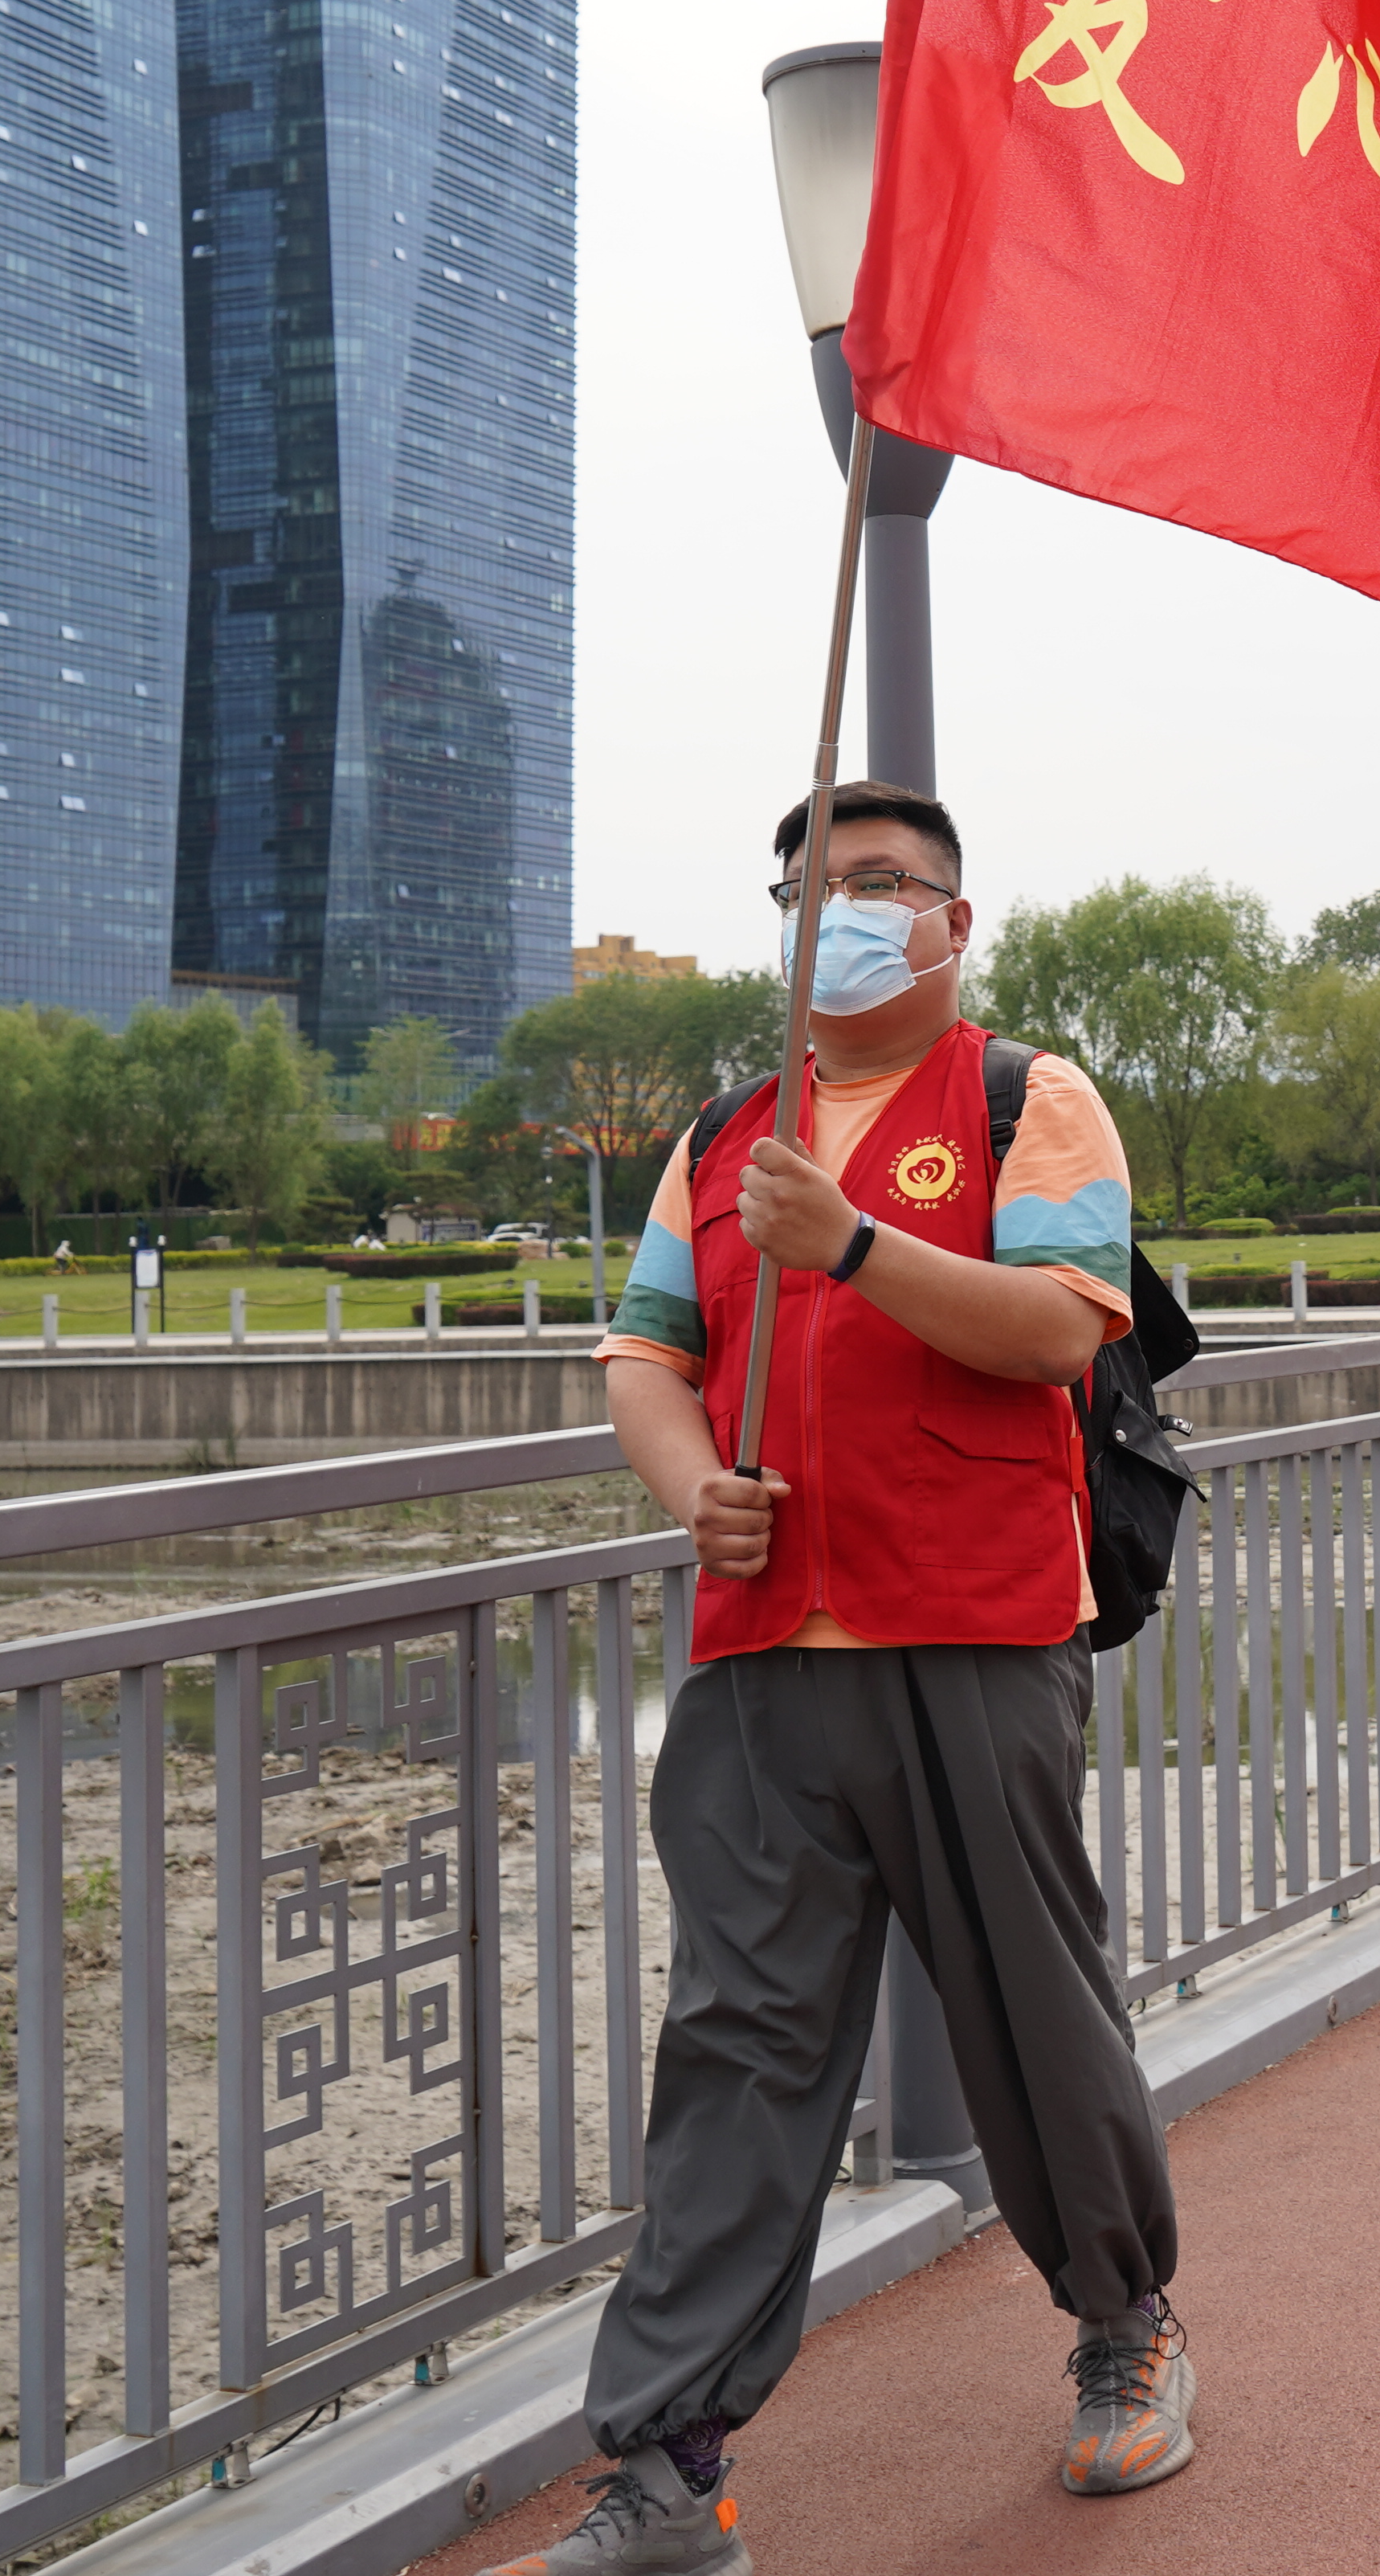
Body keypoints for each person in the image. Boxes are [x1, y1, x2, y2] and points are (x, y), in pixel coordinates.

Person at [528, 780, 1192, 2574]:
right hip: (764, 1664)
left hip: (974, 1627)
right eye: (812, 886)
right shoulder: (724, 1133)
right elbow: (645, 1354)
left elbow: (1064, 1323)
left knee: (1028, 2008)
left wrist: (858, 1246)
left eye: (884, 882)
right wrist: (691, 1488)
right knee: (735, 2053)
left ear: (954, 922)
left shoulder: (1022, 1097)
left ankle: (1123, 2324)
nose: (846, 909)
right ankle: (670, 2467)